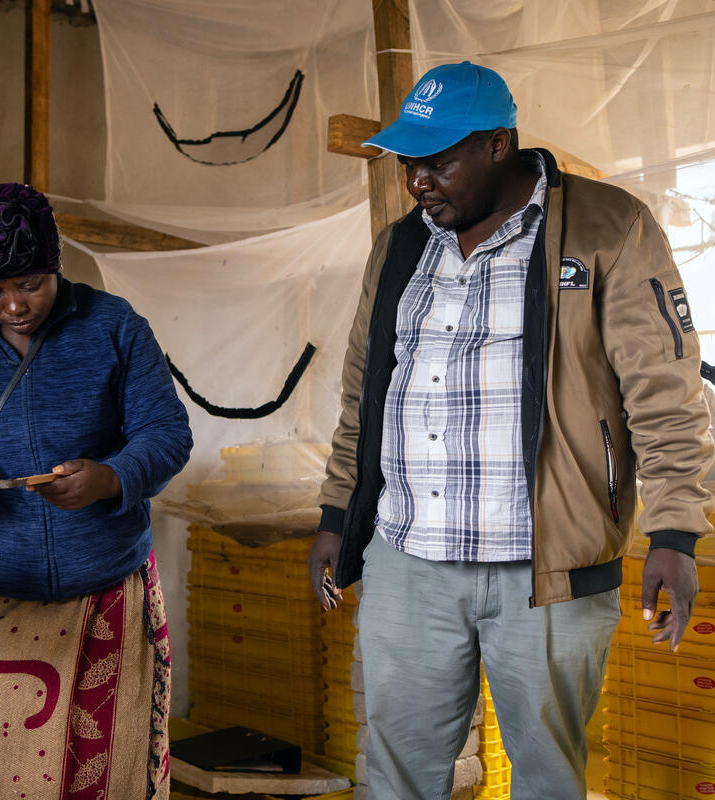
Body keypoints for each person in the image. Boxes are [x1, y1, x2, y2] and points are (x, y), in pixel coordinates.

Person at [307, 61, 713, 800]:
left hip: (545, 572)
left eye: (438, 162)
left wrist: (677, 533)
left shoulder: (606, 228)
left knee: (549, 779)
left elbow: (666, 395)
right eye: (409, 164)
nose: (418, 181)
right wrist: (339, 513)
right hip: (409, 562)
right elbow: (364, 399)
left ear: (499, 146)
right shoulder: (400, 248)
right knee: (394, 778)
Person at [0, 183, 192, 800]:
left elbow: (166, 432)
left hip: (102, 589)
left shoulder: (114, 326)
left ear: (56, 265)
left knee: (102, 768)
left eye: (30, 284)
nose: (14, 306)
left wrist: (110, 479)